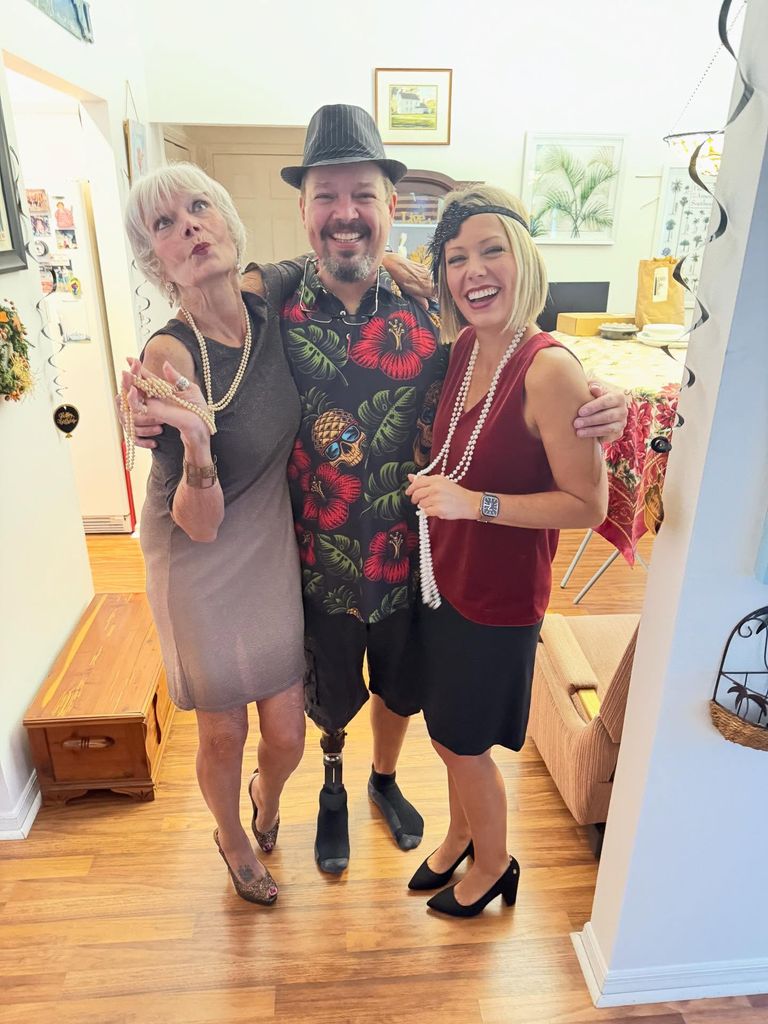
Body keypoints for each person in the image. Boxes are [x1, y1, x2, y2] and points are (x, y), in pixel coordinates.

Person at [127, 105, 629, 877]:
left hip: (417, 560)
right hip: (309, 562)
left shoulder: (438, 308)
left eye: (362, 194)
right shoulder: (274, 306)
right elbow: (203, 310)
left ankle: (383, 777)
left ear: (393, 207)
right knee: (326, 700)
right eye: (326, 197)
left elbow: (518, 355)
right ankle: (330, 781)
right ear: (303, 213)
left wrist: (591, 394)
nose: (345, 213)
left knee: (401, 691)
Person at [404, 186, 609, 917]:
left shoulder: (549, 368)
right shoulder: (467, 346)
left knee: (465, 743)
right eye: (456, 258)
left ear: (524, 257)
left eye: (491, 249)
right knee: (445, 730)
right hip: (445, 579)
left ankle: (494, 863)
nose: (473, 270)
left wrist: (474, 504)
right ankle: (462, 831)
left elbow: (590, 504)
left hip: (497, 597)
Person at [121, 163, 308, 906]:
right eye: (164, 225)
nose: (189, 227)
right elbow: (195, 522)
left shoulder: (268, 307)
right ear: (154, 262)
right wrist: (197, 445)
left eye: (199, 209)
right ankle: (231, 834)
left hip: (267, 543)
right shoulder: (169, 357)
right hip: (197, 550)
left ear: (228, 222)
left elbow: (308, 262)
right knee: (223, 730)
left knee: (288, 734)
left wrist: (397, 263)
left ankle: (268, 795)